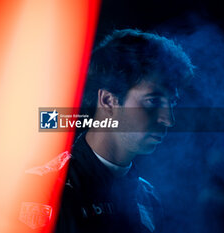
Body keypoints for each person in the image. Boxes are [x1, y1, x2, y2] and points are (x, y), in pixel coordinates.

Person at [19, 29, 194, 233]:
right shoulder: (44, 189)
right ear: (108, 101)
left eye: (171, 103)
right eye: (152, 101)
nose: (168, 119)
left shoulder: (148, 197)